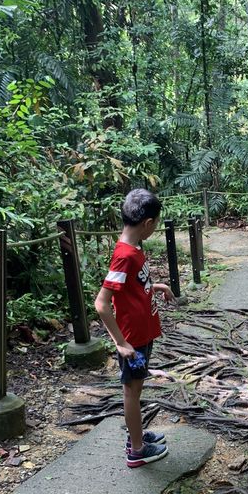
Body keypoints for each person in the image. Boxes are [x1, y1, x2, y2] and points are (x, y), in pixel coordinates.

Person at [95, 189, 174, 468]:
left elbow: (131, 287)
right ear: (148, 223)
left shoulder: (135, 249)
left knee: (136, 389)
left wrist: (156, 286)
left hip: (143, 332)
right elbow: (102, 303)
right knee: (132, 391)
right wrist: (121, 343)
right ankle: (137, 450)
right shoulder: (124, 256)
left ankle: (136, 434)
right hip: (133, 340)